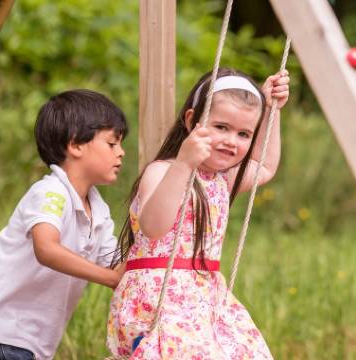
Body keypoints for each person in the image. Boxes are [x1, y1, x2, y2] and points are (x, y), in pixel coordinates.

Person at [106, 68, 289, 359]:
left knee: (248, 352)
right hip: (158, 298)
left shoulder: (222, 180)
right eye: (221, 127)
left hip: (205, 299)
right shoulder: (163, 170)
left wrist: (272, 111)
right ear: (192, 121)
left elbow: (264, 166)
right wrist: (184, 164)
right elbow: (153, 226)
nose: (231, 140)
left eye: (244, 134)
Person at [0, 89, 129, 360]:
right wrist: (110, 279)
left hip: (28, 342)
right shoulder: (50, 192)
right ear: (76, 145)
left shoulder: (98, 209)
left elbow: (117, 263)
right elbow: (47, 249)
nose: (122, 153)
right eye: (112, 144)